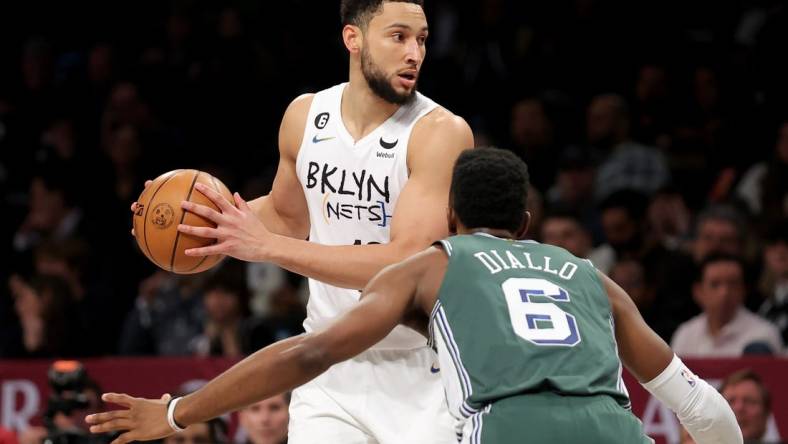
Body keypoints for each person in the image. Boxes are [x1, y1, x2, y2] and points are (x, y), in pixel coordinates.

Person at [89, 148, 740, 444]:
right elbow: (705, 411)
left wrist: (179, 413)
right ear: (526, 225)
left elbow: (310, 356)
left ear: (450, 217)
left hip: (508, 428)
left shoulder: (433, 264)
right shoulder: (592, 276)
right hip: (615, 431)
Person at [130, 1, 472, 442]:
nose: (415, 53)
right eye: (399, 36)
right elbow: (288, 217)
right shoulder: (305, 116)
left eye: (421, 39)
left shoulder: (440, 132)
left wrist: (267, 248)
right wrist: (200, 222)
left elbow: (406, 263)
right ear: (354, 38)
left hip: (419, 369)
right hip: (329, 368)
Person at [671, 253, 783, 357]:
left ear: (744, 290)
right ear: (698, 291)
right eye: (715, 284)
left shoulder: (764, 335)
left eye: (733, 284)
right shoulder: (685, 334)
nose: (724, 292)